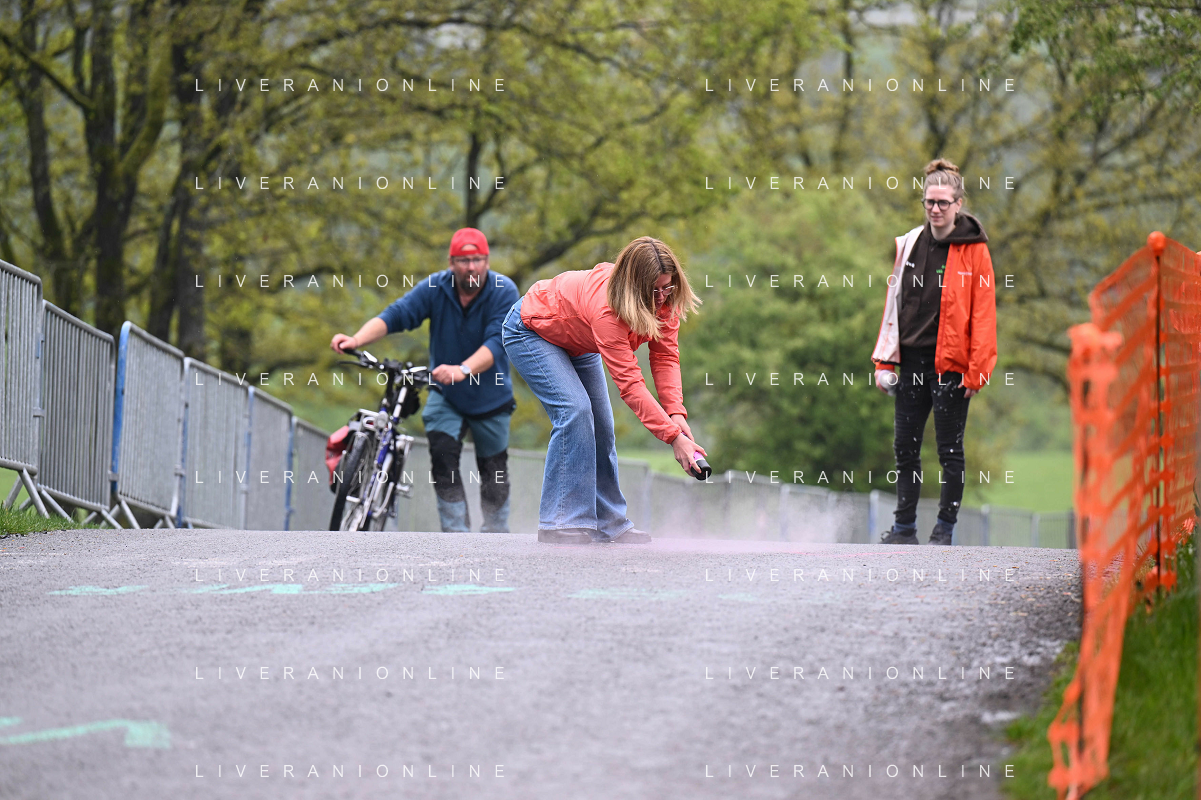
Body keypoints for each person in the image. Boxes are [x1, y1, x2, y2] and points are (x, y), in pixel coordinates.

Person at [502, 236, 704, 544]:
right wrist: (673, 438)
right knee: (575, 410)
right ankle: (561, 521)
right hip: (531, 331)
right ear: (634, 287)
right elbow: (631, 385)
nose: (663, 297)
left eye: (668, 287)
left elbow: (665, 357)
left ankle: (610, 523)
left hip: (579, 340)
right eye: (654, 290)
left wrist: (676, 414)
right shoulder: (608, 310)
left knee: (602, 425)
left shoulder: (664, 302)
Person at [330, 227, 519, 533]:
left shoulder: (504, 290)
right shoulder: (436, 287)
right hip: (447, 396)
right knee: (443, 457)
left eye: (478, 260)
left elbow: (498, 343)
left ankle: (496, 536)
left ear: (487, 261)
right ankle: (456, 536)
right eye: (463, 261)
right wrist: (356, 340)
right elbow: (398, 314)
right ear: (451, 263)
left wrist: (462, 370)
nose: (471, 267)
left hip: (491, 398)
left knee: (493, 471)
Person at [872, 158, 997, 546]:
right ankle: (903, 528)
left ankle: (944, 529)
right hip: (910, 360)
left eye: (943, 202)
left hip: (952, 366)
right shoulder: (909, 243)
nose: (936, 209)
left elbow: (984, 313)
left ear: (959, 204)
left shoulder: (974, 250)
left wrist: (978, 370)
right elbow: (893, 306)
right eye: (930, 201)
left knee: (949, 451)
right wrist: (884, 361)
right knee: (905, 448)